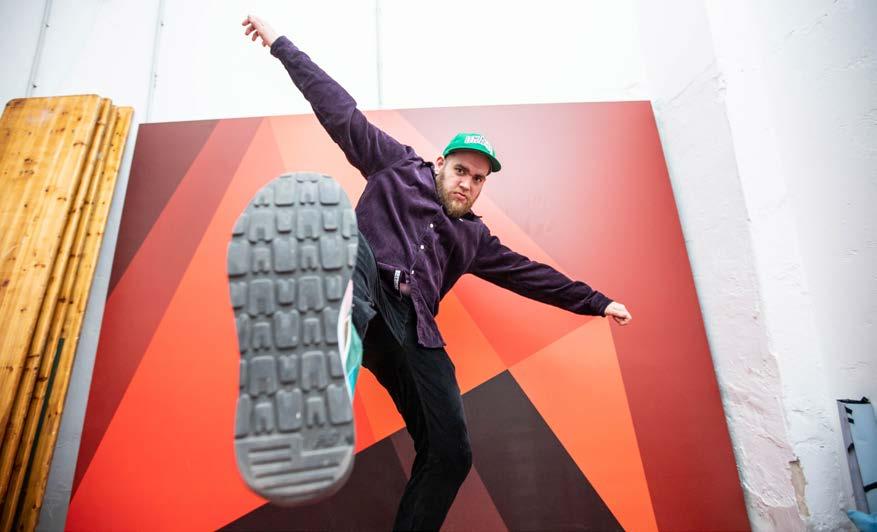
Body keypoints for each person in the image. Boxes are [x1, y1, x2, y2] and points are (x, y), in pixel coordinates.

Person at [235, 14, 633, 530]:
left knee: (451, 454)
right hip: (364, 286)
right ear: (441, 163)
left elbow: (531, 275)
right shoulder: (395, 166)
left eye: (478, 180)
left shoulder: (475, 238)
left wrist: (597, 301)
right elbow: (338, 110)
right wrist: (280, 45)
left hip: (414, 331)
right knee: (346, 236)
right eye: (461, 171)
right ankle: (327, 361)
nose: (467, 184)